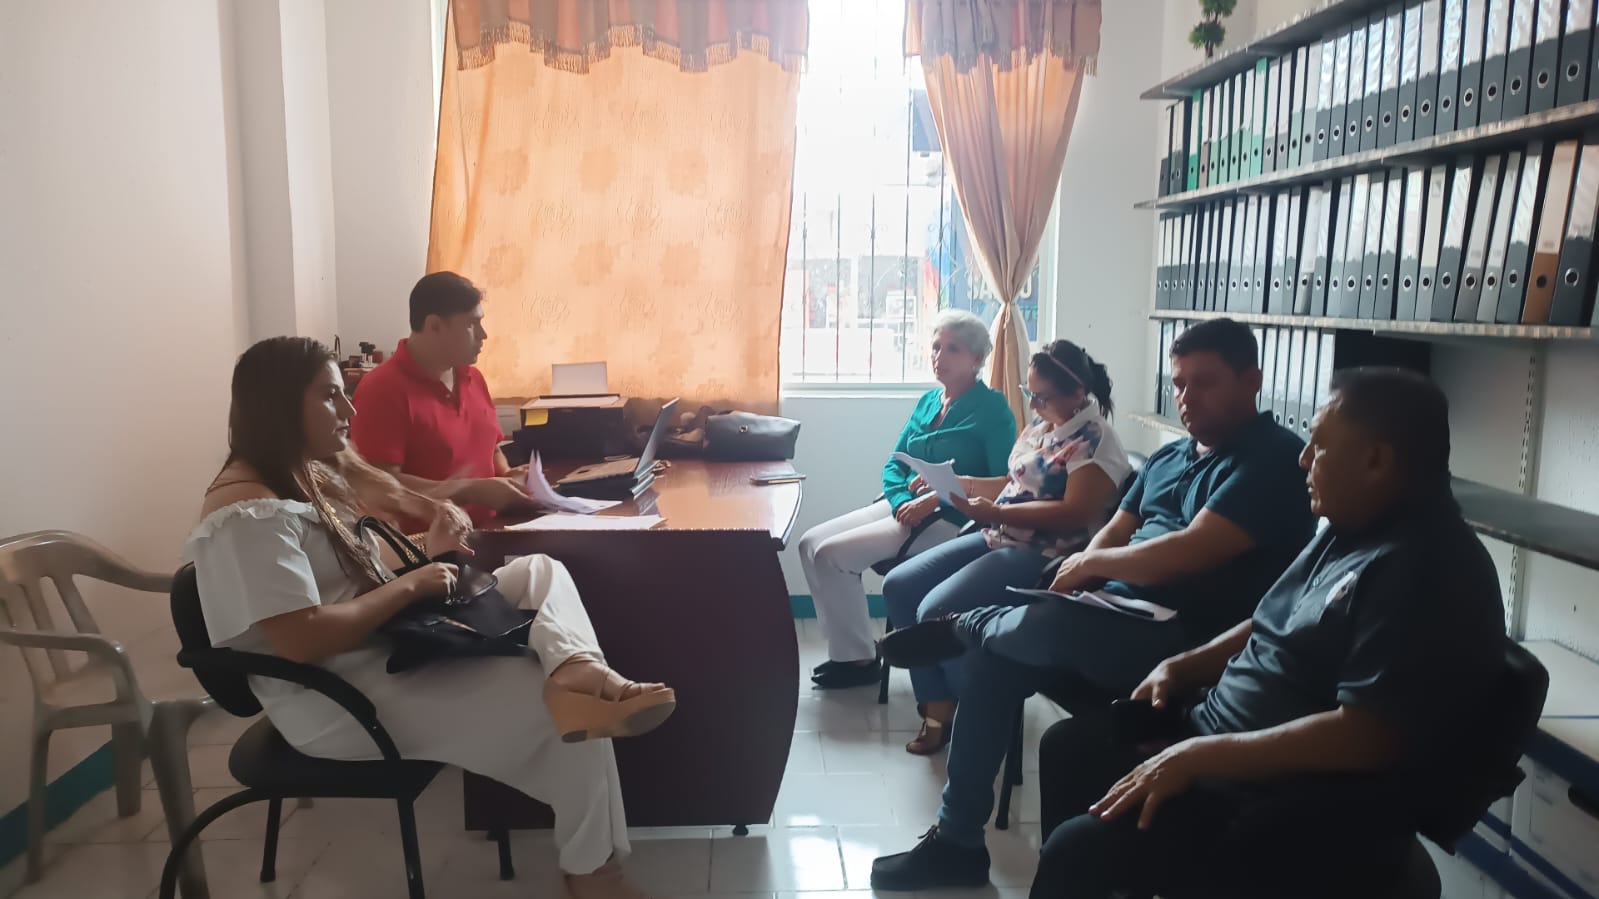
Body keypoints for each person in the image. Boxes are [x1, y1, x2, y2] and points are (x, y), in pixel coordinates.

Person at [187, 336, 674, 899]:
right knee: (544, 695)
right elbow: (302, 638)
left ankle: (578, 668)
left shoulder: (297, 475)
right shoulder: (248, 515)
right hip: (334, 698)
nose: (348, 411)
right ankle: (594, 871)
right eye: (329, 396)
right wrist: (413, 584)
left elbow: (353, 568)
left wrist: (427, 549)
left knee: (540, 571)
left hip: (374, 653)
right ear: (277, 405)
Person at [871, 318, 1316, 889]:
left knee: (1037, 625)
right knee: (994, 657)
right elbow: (1116, 529)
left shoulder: (1273, 460)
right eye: (1179, 384)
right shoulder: (1170, 459)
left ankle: (971, 624)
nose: (1186, 398)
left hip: (1189, 642)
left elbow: (1190, 552)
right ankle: (957, 841)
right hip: (1113, 614)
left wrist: (1091, 566)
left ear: (1251, 381)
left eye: (1205, 383)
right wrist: (1085, 569)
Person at [1030, 368, 1506, 899]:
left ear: (1376, 460)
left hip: (1286, 803)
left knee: (1078, 851)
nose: (1304, 459)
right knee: (1069, 750)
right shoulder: (1349, 528)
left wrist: (1197, 757)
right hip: (1216, 741)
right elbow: (1270, 617)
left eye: (1320, 446)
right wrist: (1181, 668)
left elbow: (1367, 735)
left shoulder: (1426, 568)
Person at [882, 338, 1133, 755]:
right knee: (899, 585)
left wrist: (995, 512)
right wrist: (960, 485)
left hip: (1044, 555)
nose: (1033, 405)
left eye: (1042, 397)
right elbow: (1013, 483)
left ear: (1076, 393)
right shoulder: (1044, 425)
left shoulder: (1095, 440)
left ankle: (972, 718)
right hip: (999, 533)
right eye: (1028, 393)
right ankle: (939, 703)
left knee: (935, 611)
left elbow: (1074, 513)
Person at [798, 310, 1016, 690]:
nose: (939, 357)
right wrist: (901, 501)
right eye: (935, 347)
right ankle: (850, 652)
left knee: (832, 555)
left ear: (977, 359)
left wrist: (935, 499)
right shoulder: (929, 401)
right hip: (906, 508)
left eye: (952, 349)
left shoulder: (993, 409)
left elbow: (1005, 484)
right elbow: (894, 463)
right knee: (809, 543)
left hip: (954, 519)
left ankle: (858, 661)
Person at [351, 271, 534, 531]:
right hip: (428, 546)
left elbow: (492, 450)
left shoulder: (473, 378)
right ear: (434, 325)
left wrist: (508, 477)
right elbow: (378, 485)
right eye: (472, 324)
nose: (483, 334)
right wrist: (469, 490)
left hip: (492, 531)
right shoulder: (381, 389)